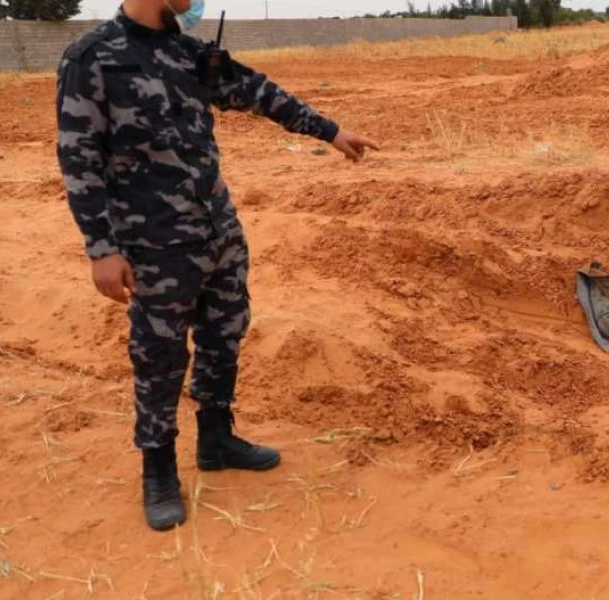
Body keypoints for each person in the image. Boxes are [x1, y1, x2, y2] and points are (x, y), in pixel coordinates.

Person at [55, 0, 380, 531]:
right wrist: (101, 248)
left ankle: (216, 438)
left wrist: (330, 131)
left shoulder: (189, 53)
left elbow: (257, 91)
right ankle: (158, 470)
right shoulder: (92, 57)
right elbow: (78, 156)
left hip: (217, 230)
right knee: (159, 354)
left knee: (225, 333)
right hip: (152, 242)